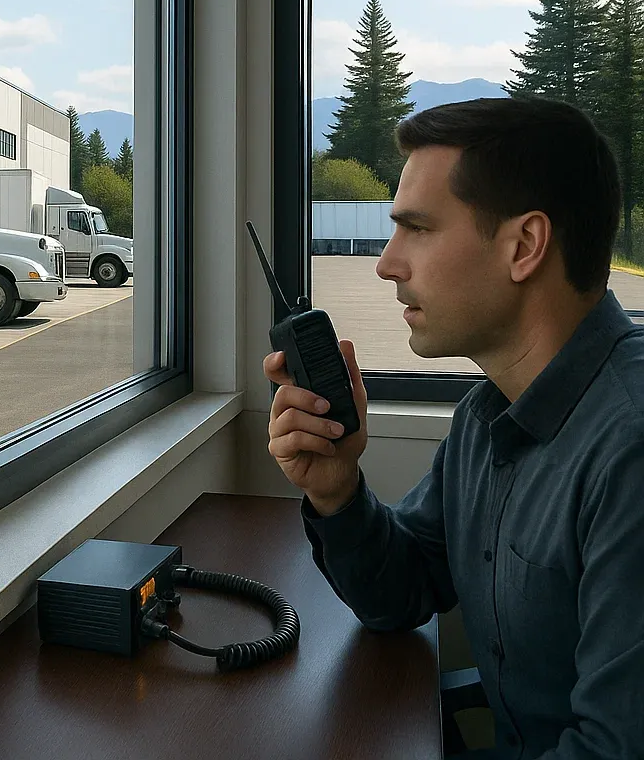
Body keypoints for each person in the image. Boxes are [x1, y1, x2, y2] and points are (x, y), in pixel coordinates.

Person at [265, 98, 644, 760]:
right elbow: (401, 593)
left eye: (416, 228)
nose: (386, 263)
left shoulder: (631, 449)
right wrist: (337, 489)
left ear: (523, 246)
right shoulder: (486, 416)